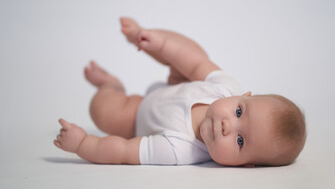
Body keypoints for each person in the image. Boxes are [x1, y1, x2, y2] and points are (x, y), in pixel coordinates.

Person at [54, 17, 306, 166]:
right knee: (196, 57)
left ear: (245, 165)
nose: (228, 126)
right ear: (243, 96)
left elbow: (122, 151)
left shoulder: (179, 150)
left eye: (240, 141)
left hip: (138, 115)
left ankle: (111, 86)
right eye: (239, 111)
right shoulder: (226, 88)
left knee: (104, 112)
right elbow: (195, 64)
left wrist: (83, 144)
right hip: (178, 85)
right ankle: (148, 38)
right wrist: (163, 45)